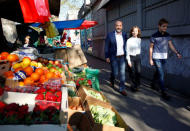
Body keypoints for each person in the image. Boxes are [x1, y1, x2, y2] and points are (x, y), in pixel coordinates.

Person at [149, 18, 182, 100]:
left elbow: (170, 45)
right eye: (163, 26)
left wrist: (177, 53)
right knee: (161, 74)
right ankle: (163, 92)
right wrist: (150, 59)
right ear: (159, 26)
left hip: (164, 57)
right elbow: (151, 48)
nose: (165, 28)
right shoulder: (154, 36)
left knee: (158, 72)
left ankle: (153, 84)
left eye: (166, 27)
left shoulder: (167, 35)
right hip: (156, 57)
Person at [105, 20, 127, 96]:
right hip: (113, 57)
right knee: (115, 73)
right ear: (115, 26)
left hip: (122, 57)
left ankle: (122, 89)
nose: (119, 27)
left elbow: (126, 45)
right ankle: (112, 79)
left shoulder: (124, 35)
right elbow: (107, 46)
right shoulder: (110, 35)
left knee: (122, 73)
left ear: (122, 26)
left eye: (120, 25)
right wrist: (107, 56)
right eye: (117, 25)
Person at [126, 26, 141, 92]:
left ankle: (137, 85)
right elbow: (127, 51)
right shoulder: (129, 40)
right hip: (131, 57)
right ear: (131, 32)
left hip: (137, 57)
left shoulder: (139, 40)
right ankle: (133, 85)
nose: (135, 32)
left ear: (138, 32)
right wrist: (128, 60)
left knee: (138, 71)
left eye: (136, 31)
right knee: (132, 71)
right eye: (133, 31)